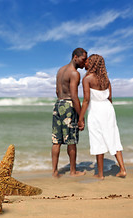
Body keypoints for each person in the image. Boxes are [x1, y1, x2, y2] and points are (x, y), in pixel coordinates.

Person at [78, 54, 127, 179]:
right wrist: (108, 110)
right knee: (113, 137)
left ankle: (100, 174)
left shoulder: (87, 79)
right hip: (108, 109)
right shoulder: (106, 79)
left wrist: (81, 118)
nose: (86, 63)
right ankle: (122, 169)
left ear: (93, 63)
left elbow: (86, 100)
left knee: (98, 139)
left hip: (96, 109)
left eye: (88, 60)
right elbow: (110, 98)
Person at [52, 48, 87, 178]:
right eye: (83, 60)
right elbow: (74, 96)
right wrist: (81, 117)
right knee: (71, 140)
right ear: (75, 57)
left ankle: (55, 171)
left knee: (56, 141)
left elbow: (57, 91)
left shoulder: (60, 70)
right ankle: (73, 171)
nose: (84, 63)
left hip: (58, 104)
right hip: (68, 106)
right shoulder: (74, 73)